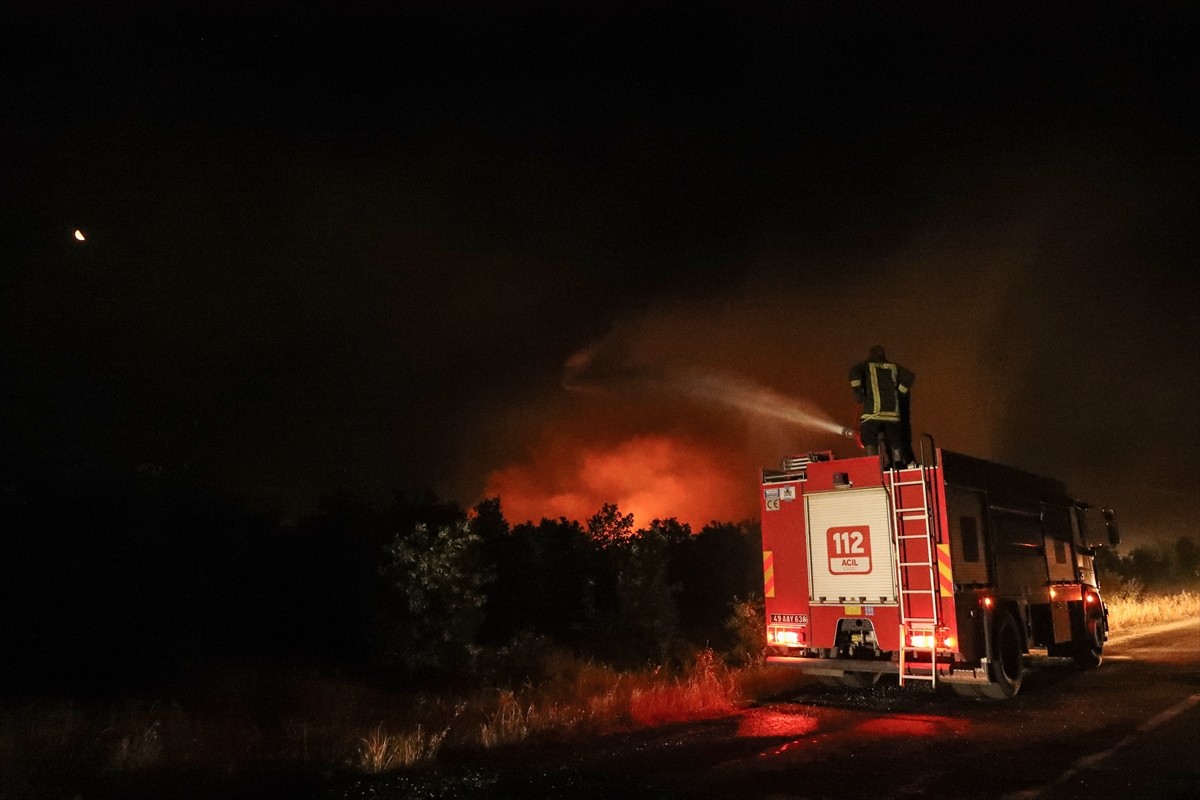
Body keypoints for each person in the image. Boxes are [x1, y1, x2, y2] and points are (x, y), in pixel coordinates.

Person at [849, 346, 915, 467]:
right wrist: (900, 393)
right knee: (895, 439)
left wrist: (858, 393)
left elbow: (854, 372)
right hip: (893, 415)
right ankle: (898, 464)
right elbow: (909, 376)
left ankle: (872, 465)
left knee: (868, 436)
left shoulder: (864, 366)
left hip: (872, 414)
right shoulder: (894, 367)